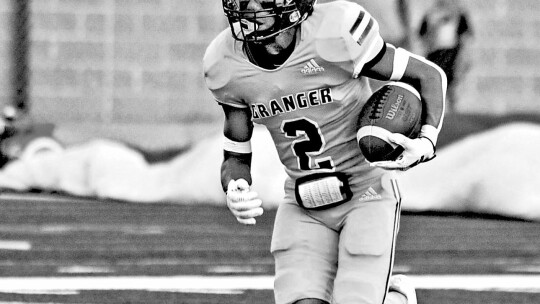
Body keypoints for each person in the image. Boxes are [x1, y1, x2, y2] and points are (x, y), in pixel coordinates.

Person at [203, 1, 446, 303]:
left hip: (367, 193)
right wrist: (236, 185)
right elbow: (235, 153)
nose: (249, 6)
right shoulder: (226, 63)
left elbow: (428, 76)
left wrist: (425, 142)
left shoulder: (335, 33)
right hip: (302, 201)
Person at [418, 0, 472, 112]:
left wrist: (464, 56)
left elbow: (465, 36)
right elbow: (422, 35)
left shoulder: (458, 14)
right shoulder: (431, 14)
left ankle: (452, 111)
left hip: (452, 53)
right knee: (435, 83)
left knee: (451, 84)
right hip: (434, 53)